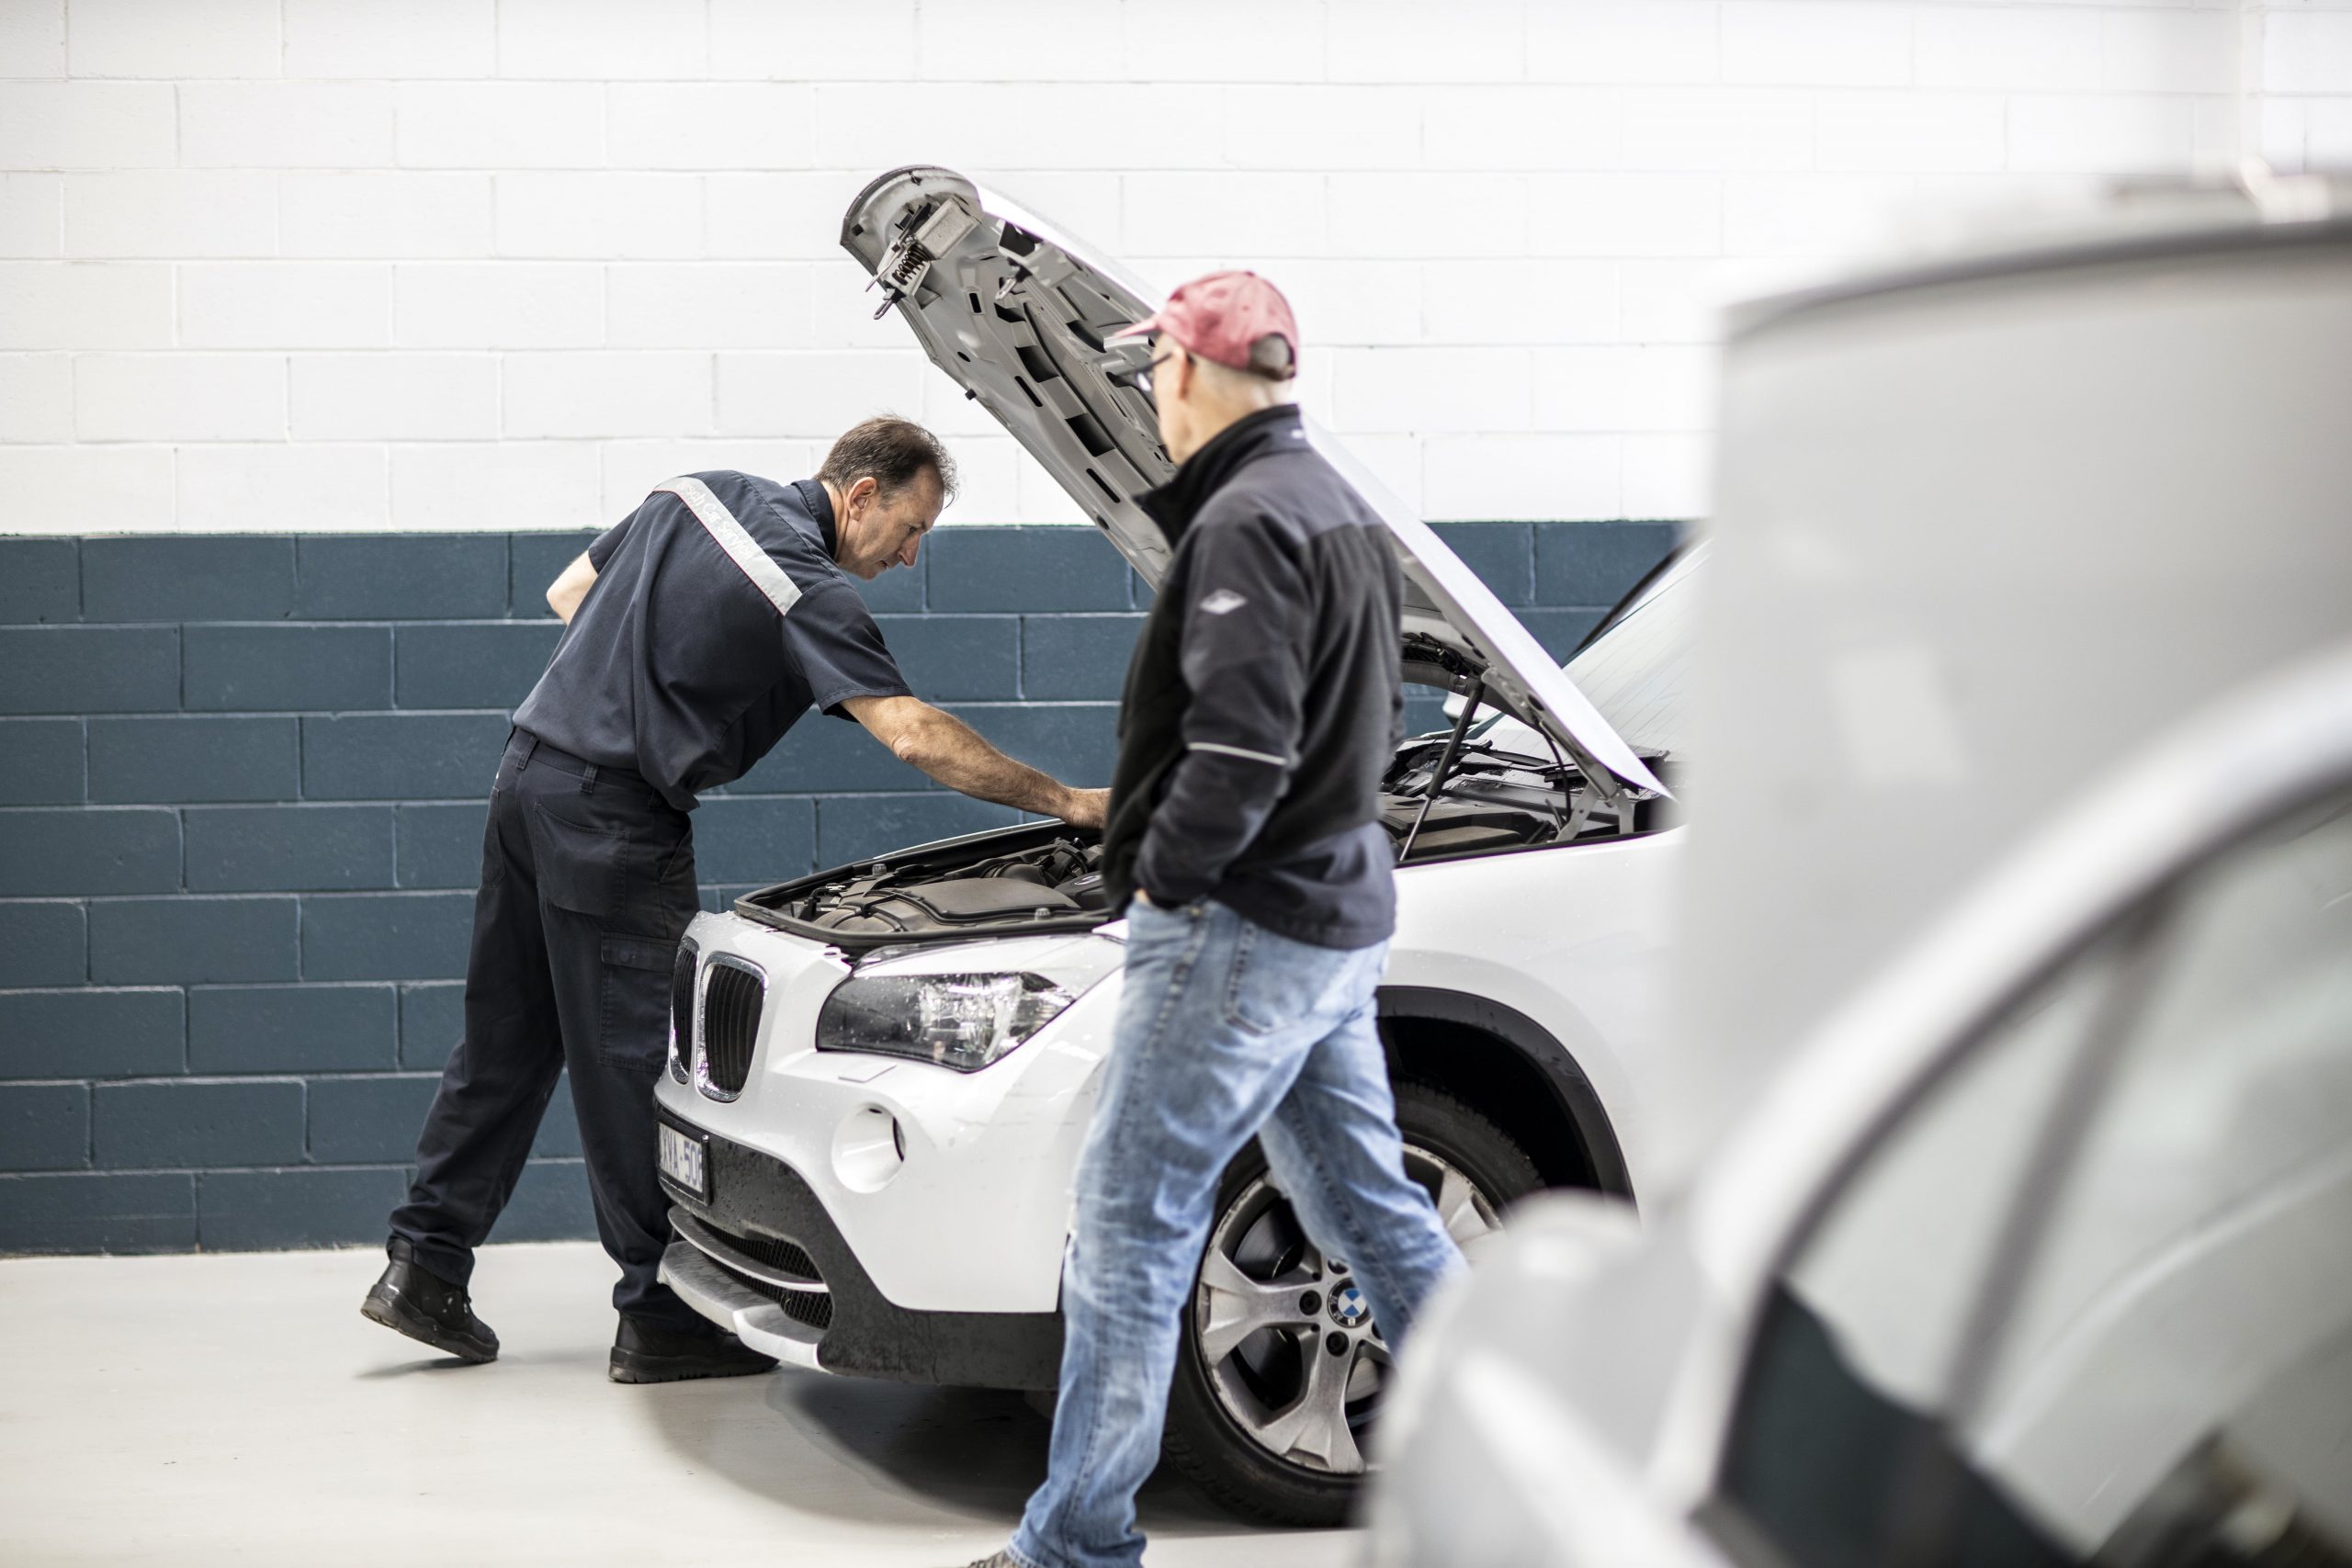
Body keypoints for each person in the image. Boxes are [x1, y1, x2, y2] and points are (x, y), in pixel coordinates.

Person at [363, 417, 1108, 1384]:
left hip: (526, 781)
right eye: (912, 527)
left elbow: (570, 594)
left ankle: (423, 1266)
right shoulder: (808, 589)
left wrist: (644, 677)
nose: (912, 554)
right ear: (861, 495)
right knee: (639, 1067)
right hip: (613, 822)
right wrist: (1069, 802)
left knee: (505, 1041)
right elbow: (916, 737)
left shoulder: (698, 492)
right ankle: (659, 1313)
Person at [970, 276, 1465, 1568]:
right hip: (1334, 916)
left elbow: (1241, 749)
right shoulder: (1338, 508)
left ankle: (1073, 1542)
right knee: (1365, 1201)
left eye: (1151, 373)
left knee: (1131, 1219)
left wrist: (1165, 878)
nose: (1146, 393)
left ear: (1189, 373)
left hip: (1240, 925)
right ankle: (1513, 1449)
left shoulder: (1247, 518)